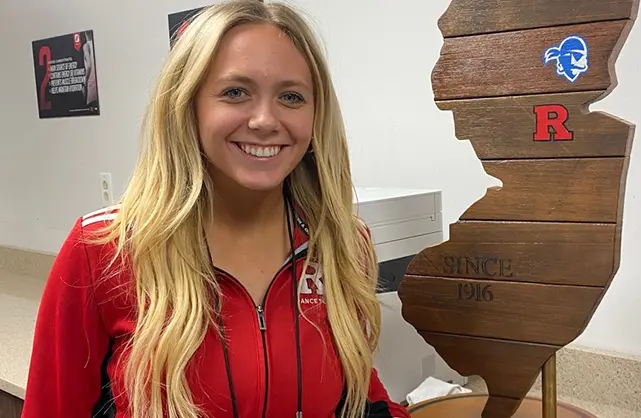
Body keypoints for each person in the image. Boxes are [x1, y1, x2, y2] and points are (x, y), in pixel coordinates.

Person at [21, 2, 411, 418]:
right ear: (187, 105)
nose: (265, 120)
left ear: (316, 116)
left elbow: (358, 392)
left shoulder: (344, 244)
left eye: (291, 96)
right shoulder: (102, 250)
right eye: (235, 92)